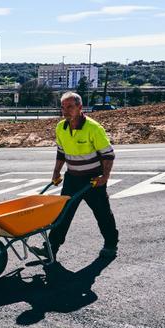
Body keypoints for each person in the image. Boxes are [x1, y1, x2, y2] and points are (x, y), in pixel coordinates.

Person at [32, 91, 118, 263]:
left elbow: (108, 155)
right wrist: (56, 172)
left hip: (93, 180)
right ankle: (51, 248)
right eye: (63, 107)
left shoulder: (93, 128)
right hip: (72, 178)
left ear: (80, 107)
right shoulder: (61, 127)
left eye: (70, 107)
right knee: (63, 214)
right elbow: (61, 152)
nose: (65, 110)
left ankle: (111, 244)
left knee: (102, 213)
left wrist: (104, 177)